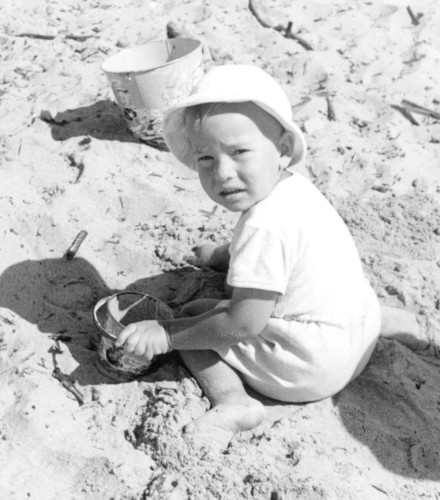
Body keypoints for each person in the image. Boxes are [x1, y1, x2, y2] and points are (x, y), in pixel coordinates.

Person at [115, 64, 420, 448]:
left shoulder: (264, 226)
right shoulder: (296, 189)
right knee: (336, 282)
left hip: (316, 368)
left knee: (197, 316)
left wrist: (167, 334)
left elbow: (243, 324)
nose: (222, 172)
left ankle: (234, 403)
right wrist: (219, 256)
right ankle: (388, 321)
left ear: (282, 150)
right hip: (360, 327)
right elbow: (283, 259)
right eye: (205, 158)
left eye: (239, 152)